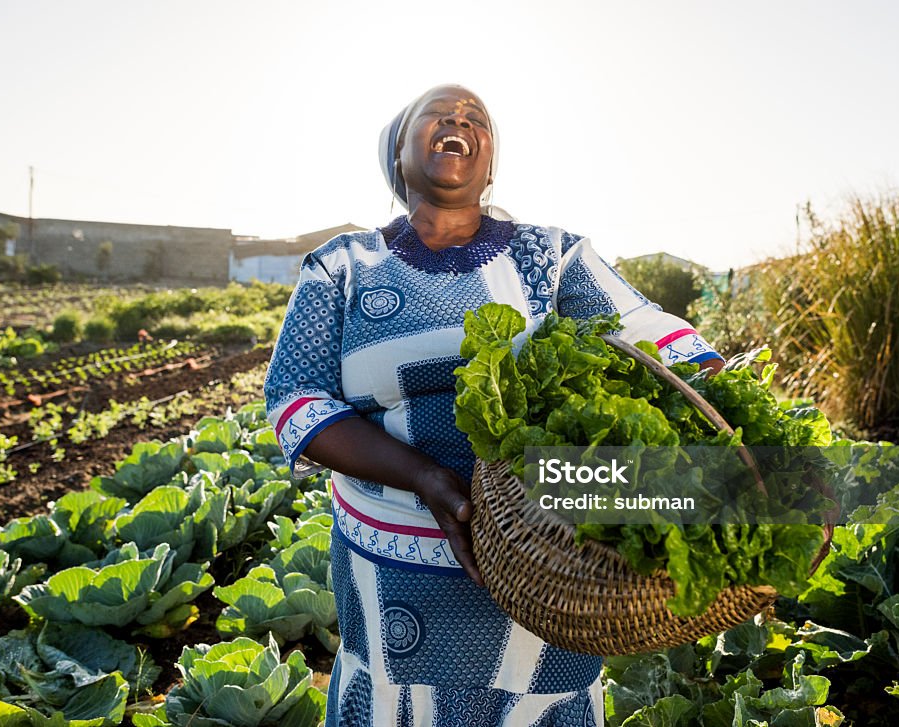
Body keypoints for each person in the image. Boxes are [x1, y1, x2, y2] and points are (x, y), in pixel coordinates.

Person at [264, 84, 724, 726]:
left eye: (475, 119)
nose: (458, 122)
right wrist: (426, 477)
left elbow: (645, 328)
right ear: (398, 152)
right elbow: (296, 401)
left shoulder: (550, 255)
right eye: (439, 115)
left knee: (544, 696)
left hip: (546, 550)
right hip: (393, 556)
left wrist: (724, 397)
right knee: (399, 700)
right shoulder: (343, 265)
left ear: (489, 165)